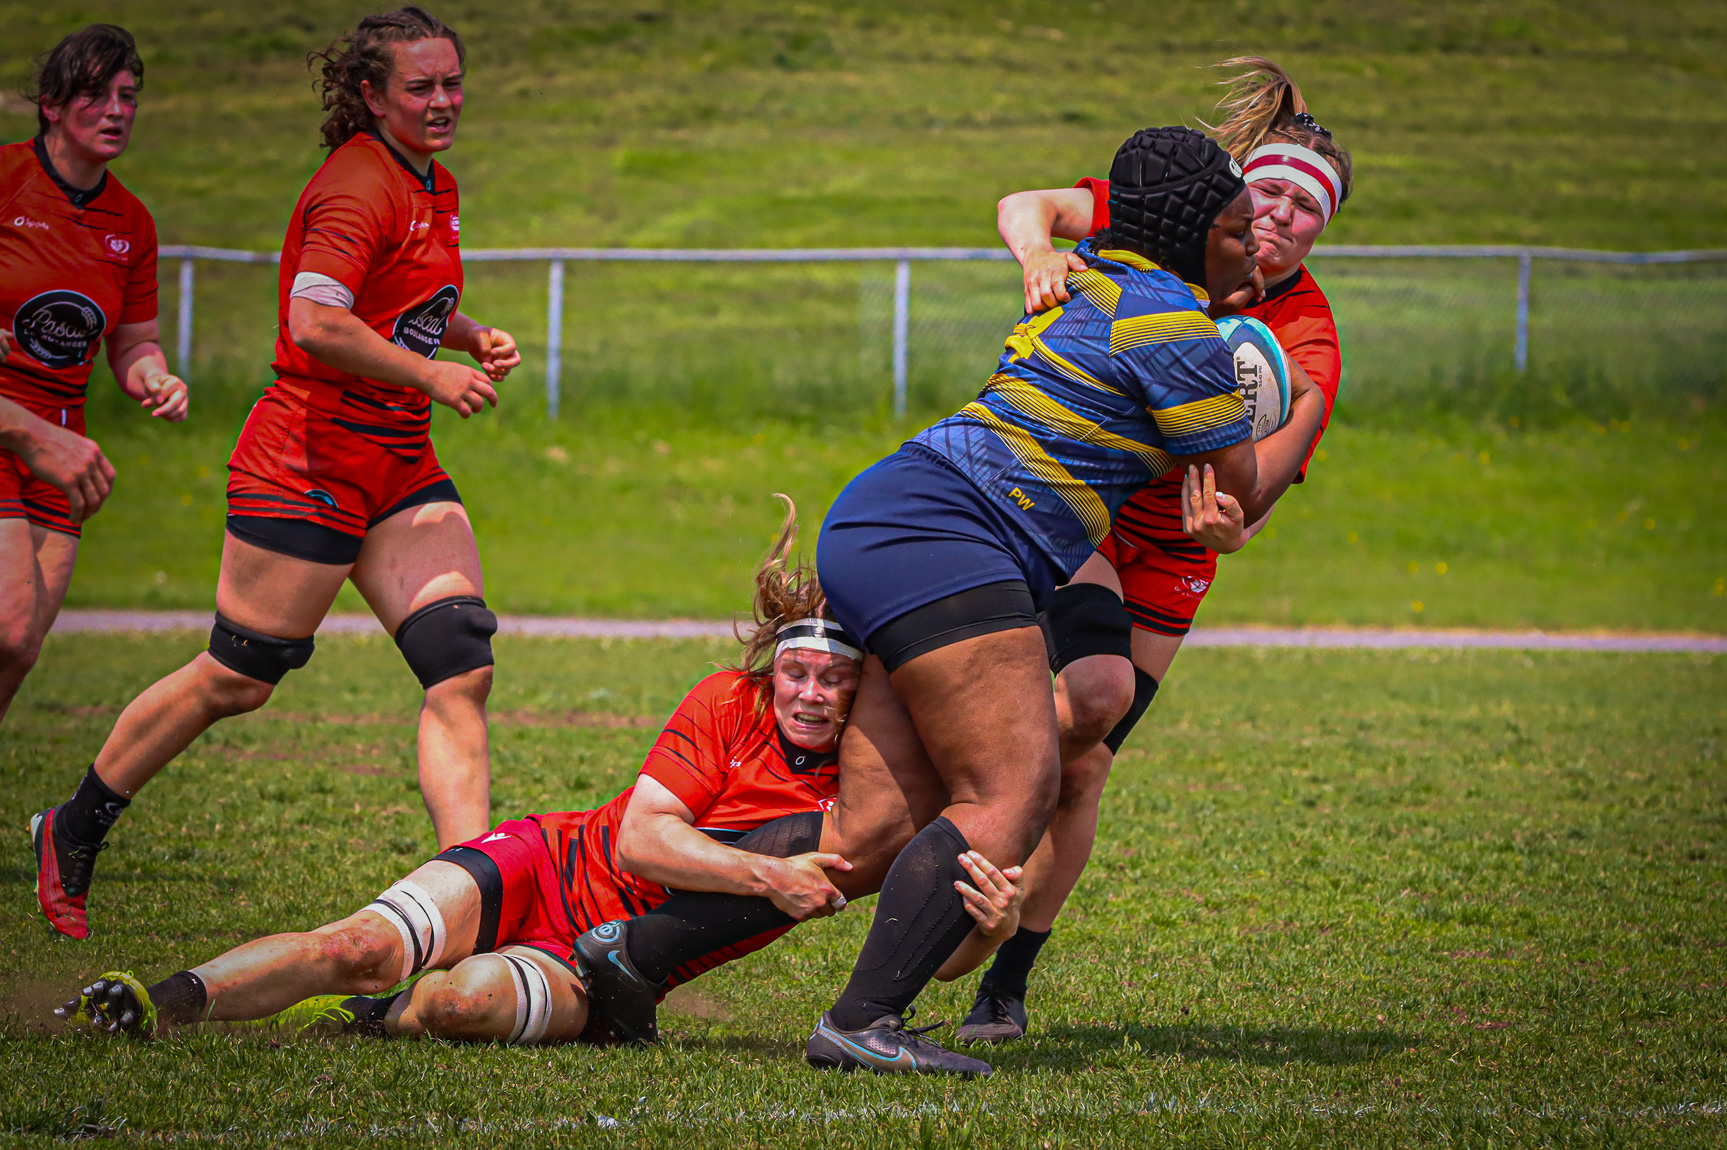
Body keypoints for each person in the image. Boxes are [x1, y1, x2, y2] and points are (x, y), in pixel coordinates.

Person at [582, 126, 1325, 1077]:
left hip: (891, 513)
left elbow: (1047, 226)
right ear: (1191, 232)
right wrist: (1299, 400)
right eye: (1234, 226)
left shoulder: (1098, 273)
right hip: (951, 539)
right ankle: (863, 1022)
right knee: (1016, 788)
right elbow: (1241, 487)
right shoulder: (1176, 330)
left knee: (877, 828)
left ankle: (629, 956)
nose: (1251, 242)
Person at [58, 504, 1022, 1046]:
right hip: (552, 859)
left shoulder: (874, 801)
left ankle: (373, 1021)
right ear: (777, 666)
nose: (810, 696)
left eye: (835, 681)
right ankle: (160, 1001)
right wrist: (763, 873)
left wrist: (989, 928)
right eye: (799, 674)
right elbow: (645, 838)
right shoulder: (727, 698)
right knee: (358, 940)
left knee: (459, 1002)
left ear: (862, 693)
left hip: (609, 960)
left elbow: (931, 962)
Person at [31, 6, 522, 941]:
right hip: (307, 455)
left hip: (398, 460)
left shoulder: (435, 184)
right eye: (419, 86)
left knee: (460, 662)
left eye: (451, 81)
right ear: (371, 94)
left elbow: (399, 297)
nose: (442, 100)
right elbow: (316, 321)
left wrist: (466, 332)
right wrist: (435, 372)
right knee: (241, 673)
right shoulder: (355, 185)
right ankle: (77, 820)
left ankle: (477, 896)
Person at [957, 57, 1354, 1043]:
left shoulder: (1306, 337)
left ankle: (1003, 983)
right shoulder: (1174, 220)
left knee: (1084, 768)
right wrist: (1037, 259)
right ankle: (955, 813)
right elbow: (1024, 205)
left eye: (1307, 211)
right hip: (1078, 499)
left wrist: (1236, 521)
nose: (1280, 217)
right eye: (1269, 191)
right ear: (1235, 185)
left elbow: (1265, 480)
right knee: (1050, 714)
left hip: (1173, 549)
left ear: (1324, 231)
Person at [1, 24, 188, 730]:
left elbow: (134, 341)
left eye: (128, 96)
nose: (116, 110)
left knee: (19, 651)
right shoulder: (5, 179)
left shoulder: (132, 222)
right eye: (95, 94)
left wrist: (155, 378)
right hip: (6, 427)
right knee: (9, 626)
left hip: (66, 452)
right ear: (51, 104)